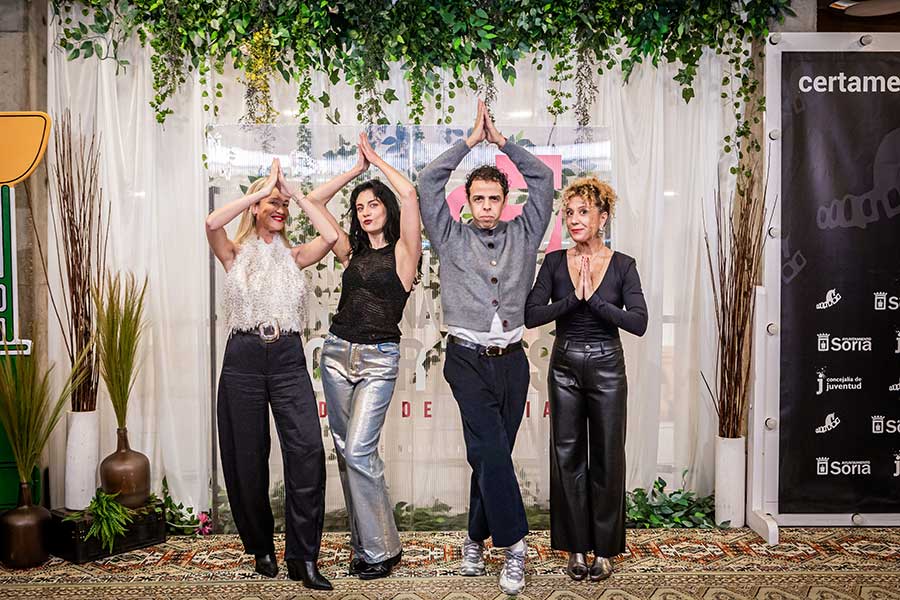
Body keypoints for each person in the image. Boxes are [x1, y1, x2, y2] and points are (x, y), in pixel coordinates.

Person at [418, 100, 554, 596]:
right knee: (492, 450)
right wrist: (470, 143)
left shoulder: (525, 232)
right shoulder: (449, 236)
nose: (487, 207)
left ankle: (475, 539)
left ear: (505, 200)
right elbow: (427, 182)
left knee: (489, 456)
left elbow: (543, 179)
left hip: (512, 362)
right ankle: (514, 546)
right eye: (478, 199)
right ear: (468, 202)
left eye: (495, 198)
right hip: (466, 359)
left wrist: (502, 143)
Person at [205, 158, 338, 590]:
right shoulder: (234, 254)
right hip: (243, 357)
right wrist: (260, 191)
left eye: (283, 205)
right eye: (271, 203)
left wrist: (294, 192)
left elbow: (330, 236)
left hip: (286, 357)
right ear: (256, 208)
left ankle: (303, 558)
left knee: (307, 452)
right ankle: (261, 546)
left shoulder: (294, 257)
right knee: (247, 456)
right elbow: (211, 223)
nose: (279, 209)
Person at [524, 177, 648, 582]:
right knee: (568, 457)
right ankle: (576, 548)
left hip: (608, 366)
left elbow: (639, 322)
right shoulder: (555, 262)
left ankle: (605, 551)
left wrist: (593, 300)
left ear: (603, 217)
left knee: (608, 458)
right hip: (564, 366)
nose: (574, 219)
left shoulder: (623, 265)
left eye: (583, 212)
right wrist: (570, 300)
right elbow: (531, 315)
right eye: (569, 213)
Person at [313, 133, 421, 580]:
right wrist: (355, 172)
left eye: (373, 204)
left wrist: (375, 160)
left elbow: (410, 194)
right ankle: (368, 544)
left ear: (386, 210)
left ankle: (381, 549)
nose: (366, 211)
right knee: (346, 453)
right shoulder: (351, 251)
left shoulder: (404, 253)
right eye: (360, 207)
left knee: (359, 450)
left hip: (379, 358)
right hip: (336, 354)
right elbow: (314, 201)